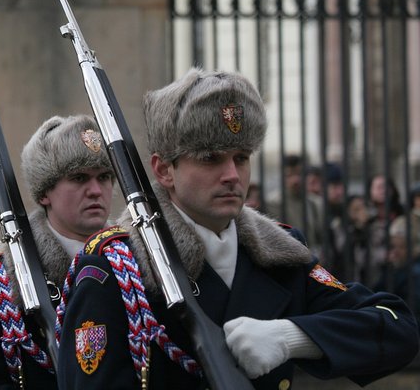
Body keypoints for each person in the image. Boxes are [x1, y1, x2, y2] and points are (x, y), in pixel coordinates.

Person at [57, 68, 419, 389]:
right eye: (210, 158)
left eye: (241, 158)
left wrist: (291, 337)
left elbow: (396, 327)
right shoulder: (115, 268)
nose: (232, 175)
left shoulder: (279, 253)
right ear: (164, 170)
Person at [0, 114, 115, 389]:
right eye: (79, 178)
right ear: (44, 193)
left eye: (105, 177)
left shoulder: (137, 268)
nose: (96, 190)